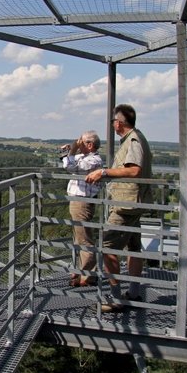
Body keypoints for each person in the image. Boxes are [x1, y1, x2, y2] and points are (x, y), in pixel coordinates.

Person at [85, 104, 153, 312]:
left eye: (113, 121)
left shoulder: (133, 140)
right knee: (133, 248)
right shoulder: (136, 138)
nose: (112, 124)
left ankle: (116, 299)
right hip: (133, 202)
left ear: (119, 122)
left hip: (126, 204)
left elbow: (134, 171)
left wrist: (103, 172)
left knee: (107, 246)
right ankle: (134, 293)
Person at [60, 131, 103, 287]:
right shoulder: (84, 157)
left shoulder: (94, 160)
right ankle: (84, 273)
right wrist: (70, 151)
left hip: (82, 202)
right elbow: (67, 164)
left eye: (82, 142)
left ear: (90, 145)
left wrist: (71, 150)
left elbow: (70, 167)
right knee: (80, 237)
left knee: (84, 238)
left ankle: (87, 275)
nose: (78, 143)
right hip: (78, 202)